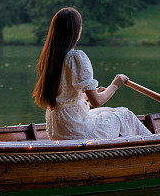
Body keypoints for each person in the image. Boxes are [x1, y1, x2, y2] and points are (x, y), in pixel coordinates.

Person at [33, 7, 153, 140]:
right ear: (76, 31)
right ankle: (155, 143)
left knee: (112, 111)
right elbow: (97, 102)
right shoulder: (75, 57)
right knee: (126, 114)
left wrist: (87, 95)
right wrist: (115, 84)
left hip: (57, 129)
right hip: (76, 128)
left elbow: (65, 97)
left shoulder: (49, 59)